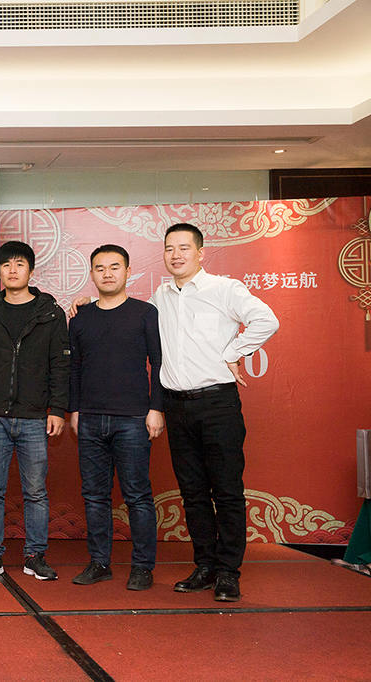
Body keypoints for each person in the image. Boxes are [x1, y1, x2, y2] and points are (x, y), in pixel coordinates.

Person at [154, 223, 278, 602]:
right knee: (192, 493)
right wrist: (84, 303)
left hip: (217, 404)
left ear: (201, 252)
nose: (176, 255)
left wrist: (233, 352)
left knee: (226, 490)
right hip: (176, 405)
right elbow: (129, 317)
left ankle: (228, 572)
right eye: (170, 248)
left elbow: (267, 319)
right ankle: (205, 566)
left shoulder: (224, 289)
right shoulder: (160, 295)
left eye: (184, 248)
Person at [0, 240, 69, 582]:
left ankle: (35, 556)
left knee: (36, 492)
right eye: (6, 265)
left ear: (31, 270)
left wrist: (58, 409)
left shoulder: (51, 313)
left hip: (34, 417)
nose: (12, 270)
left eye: (19, 264)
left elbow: (60, 365)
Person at [67, 244, 162, 591]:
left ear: (128, 271)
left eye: (114, 267)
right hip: (90, 418)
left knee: (137, 495)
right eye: (100, 268)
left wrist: (156, 408)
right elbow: (74, 369)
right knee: (95, 496)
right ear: (92, 273)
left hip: (133, 419)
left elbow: (159, 363)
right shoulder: (80, 318)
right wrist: (74, 410)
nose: (107, 274)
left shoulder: (145, 313)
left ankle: (142, 567)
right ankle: (99, 563)